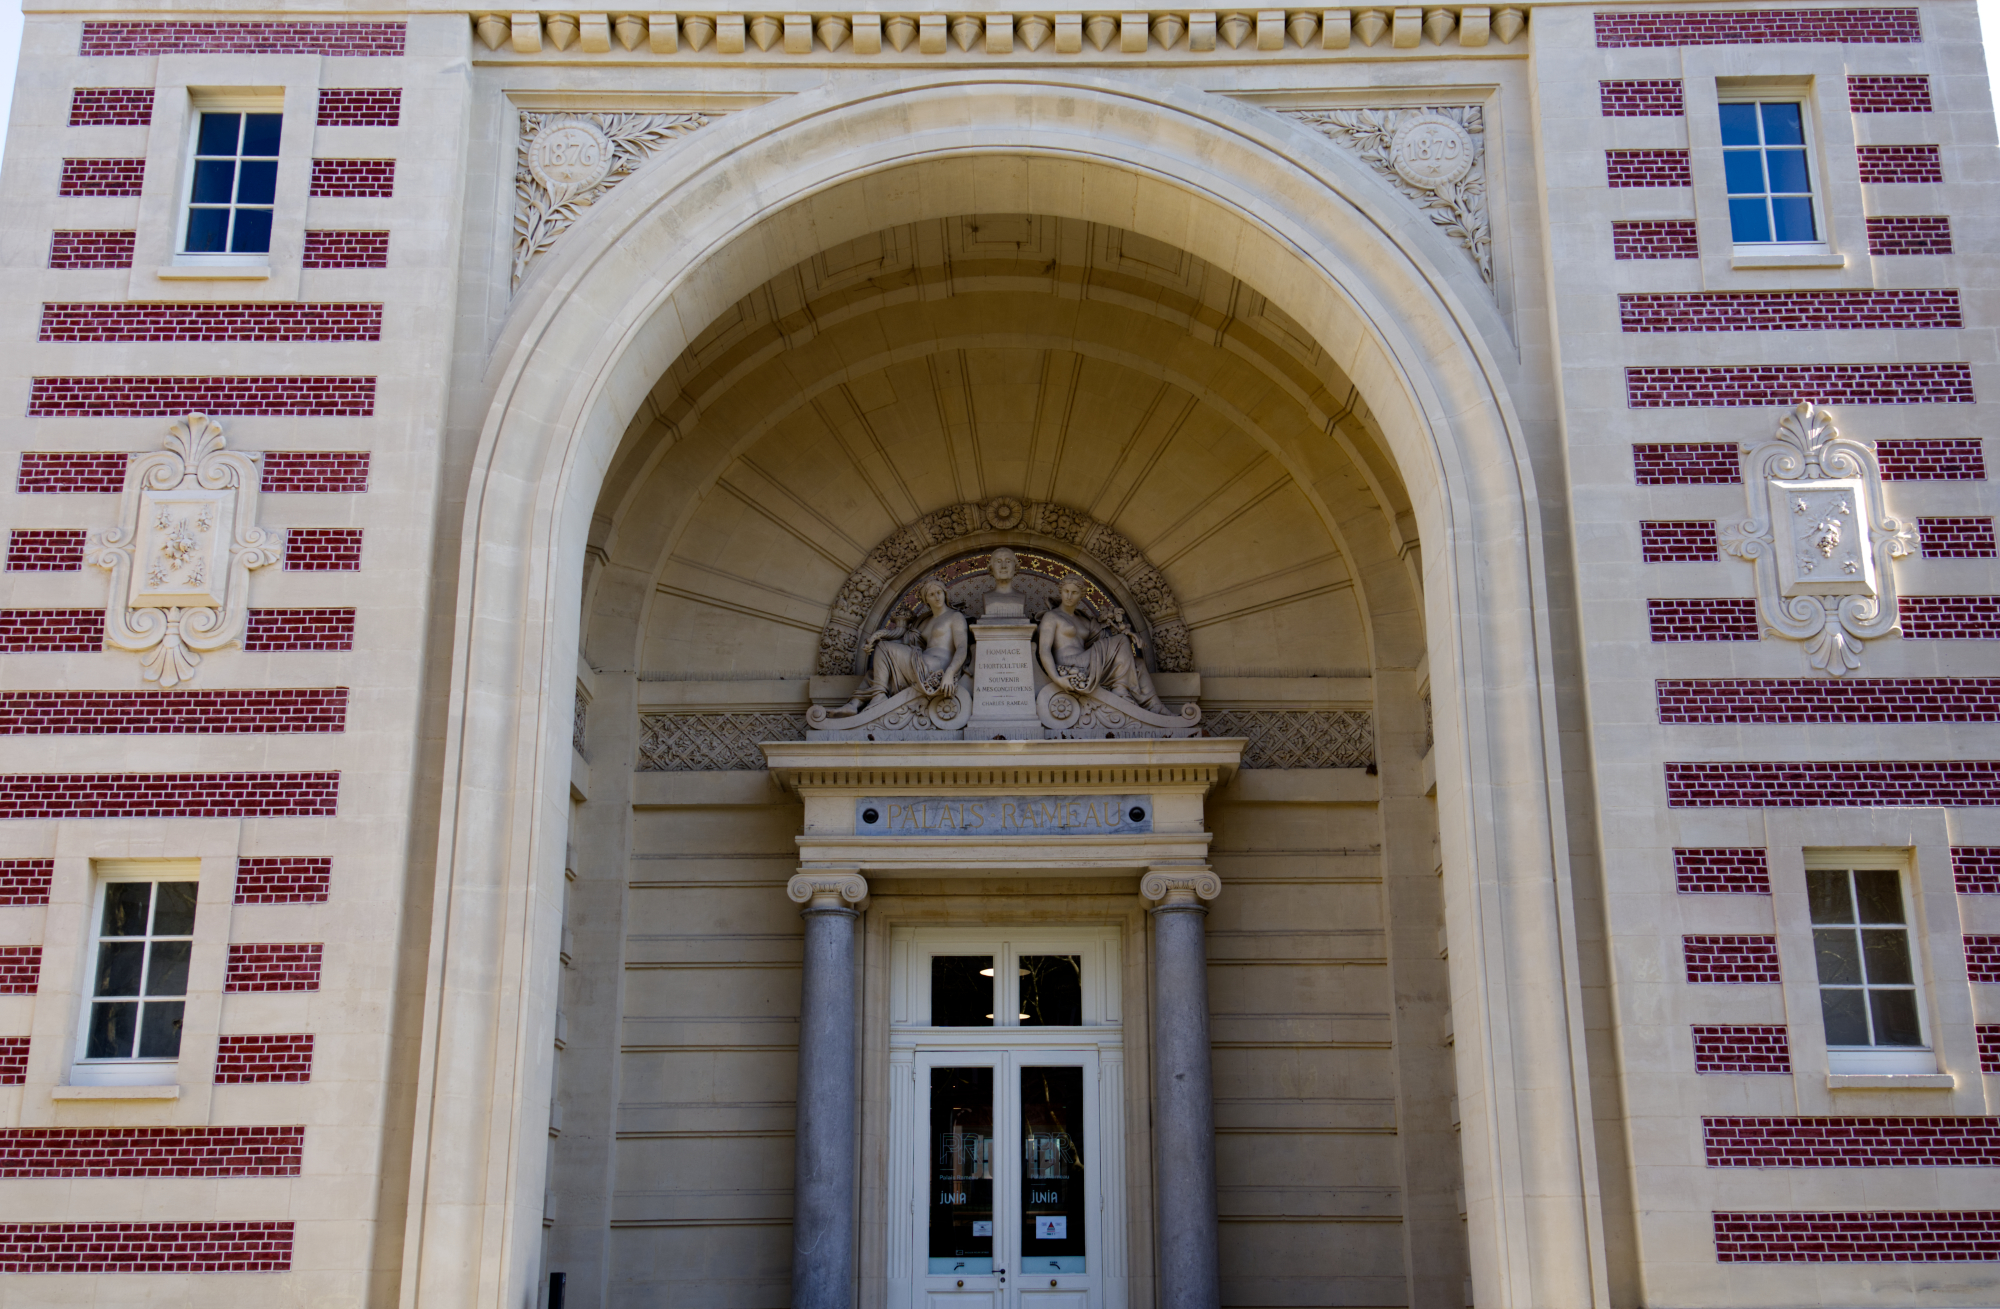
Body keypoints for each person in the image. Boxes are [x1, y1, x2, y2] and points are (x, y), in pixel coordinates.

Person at [826, 578, 969, 716]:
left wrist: (950, 673)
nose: (937, 597)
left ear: (945, 593)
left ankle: (879, 697)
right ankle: (854, 704)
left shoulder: (954, 616)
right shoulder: (924, 622)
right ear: (926, 600)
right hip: (921, 661)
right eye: (931, 594)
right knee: (876, 671)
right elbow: (904, 643)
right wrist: (874, 640)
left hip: (937, 667)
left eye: (939, 592)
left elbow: (962, 647)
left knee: (884, 649)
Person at [1035, 574, 1165, 711]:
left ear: (1081, 596)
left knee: (1137, 663)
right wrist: (1056, 678)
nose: (1069, 596)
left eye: (1074, 592)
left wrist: (1130, 635)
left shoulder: (1084, 621)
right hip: (1068, 664)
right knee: (1121, 641)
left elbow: (1108, 638)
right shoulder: (1052, 617)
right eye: (1066, 591)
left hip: (1086, 662)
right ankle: (1120, 690)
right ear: (1060, 591)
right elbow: (1044, 649)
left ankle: (1156, 707)